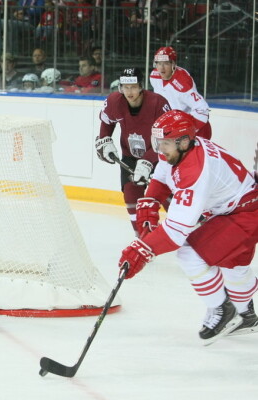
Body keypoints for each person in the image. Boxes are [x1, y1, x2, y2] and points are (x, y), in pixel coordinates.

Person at [118, 110, 258, 344]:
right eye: (159, 142)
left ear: (184, 141)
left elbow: (175, 232)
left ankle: (222, 310)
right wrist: (151, 201)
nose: (161, 149)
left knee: (189, 254)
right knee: (234, 264)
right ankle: (247, 316)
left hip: (244, 213)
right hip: (237, 207)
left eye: (165, 143)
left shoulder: (196, 169)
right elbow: (162, 177)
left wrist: (142, 249)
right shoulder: (180, 150)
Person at [95, 67, 171, 234]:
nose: (129, 92)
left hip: (159, 157)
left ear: (141, 86)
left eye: (134, 87)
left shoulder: (158, 103)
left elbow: (167, 138)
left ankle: (181, 230)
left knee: (165, 197)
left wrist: (149, 161)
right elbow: (107, 121)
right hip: (129, 156)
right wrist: (104, 140)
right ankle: (142, 235)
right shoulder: (115, 101)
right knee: (130, 195)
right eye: (125, 87)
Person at [149, 46, 212, 138]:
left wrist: (187, 129)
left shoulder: (182, 82)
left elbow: (202, 108)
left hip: (197, 130)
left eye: (166, 63)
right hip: (174, 129)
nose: (161, 68)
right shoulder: (154, 76)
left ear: (173, 64)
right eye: (158, 63)